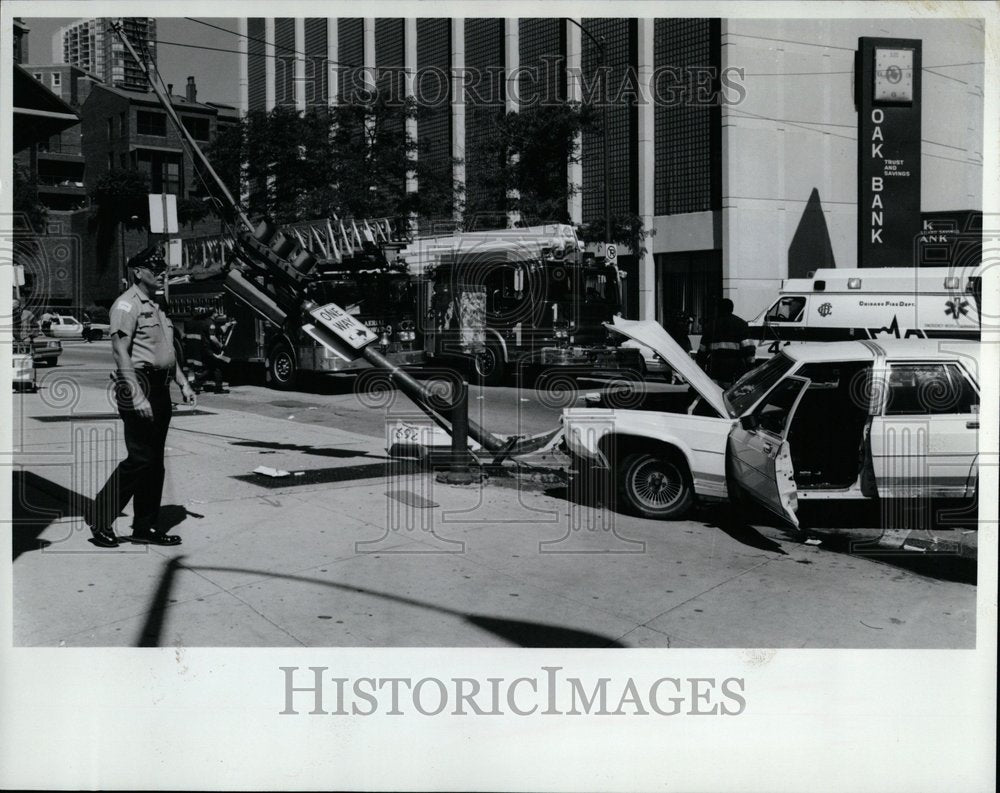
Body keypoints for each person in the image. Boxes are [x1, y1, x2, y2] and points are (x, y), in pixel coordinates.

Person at [86, 246, 197, 548]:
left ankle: (145, 526)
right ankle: (99, 516)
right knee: (140, 458)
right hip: (138, 385)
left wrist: (183, 383)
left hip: (159, 387)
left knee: (154, 462)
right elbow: (120, 352)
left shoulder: (157, 305)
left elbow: (167, 353)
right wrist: (136, 395)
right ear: (138, 272)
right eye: (155, 268)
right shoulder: (126, 306)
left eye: (162, 268)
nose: (162, 272)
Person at [696, 298, 755, 388]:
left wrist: (699, 368)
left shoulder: (711, 324)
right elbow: (748, 348)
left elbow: (702, 350)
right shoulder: (741, 324)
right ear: (732, 309)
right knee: (732, 395)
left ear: (719, 309)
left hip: (715, 367)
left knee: (715, 393)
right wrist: (751, 367)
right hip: (734, 368)